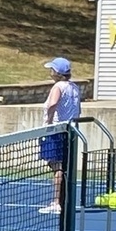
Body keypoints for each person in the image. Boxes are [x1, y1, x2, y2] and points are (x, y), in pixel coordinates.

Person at [39, 57, 82, 214]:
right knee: (63, 166)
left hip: (57, 131)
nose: (50, 71)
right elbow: (78, 108)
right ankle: (64, 199)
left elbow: (52, 104)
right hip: (70, 130)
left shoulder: (58, 86)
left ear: (57, 73)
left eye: (52, 69)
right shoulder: (75, 87)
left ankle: (57, 202)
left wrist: (48, 124)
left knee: (57, 166)